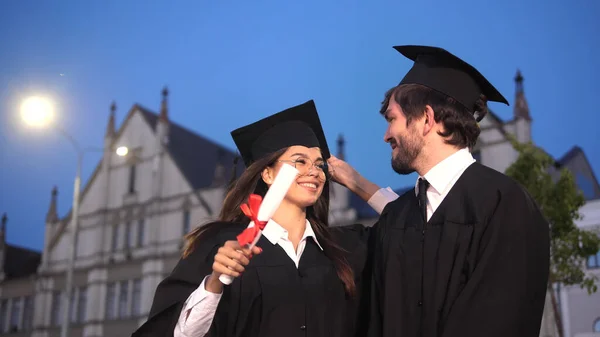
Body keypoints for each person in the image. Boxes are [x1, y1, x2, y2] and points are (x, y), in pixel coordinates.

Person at [328, 45, 550, 337]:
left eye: (392, 119)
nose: (385, 136)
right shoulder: (400, 217)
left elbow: (502, 320)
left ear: (427, 119)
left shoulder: (504, 205)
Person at [131, 100, 377, 337]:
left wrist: (357, 183)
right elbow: (180, 334)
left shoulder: (345, 246)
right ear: (267, 174)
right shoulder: (221, 244)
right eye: (299, 161)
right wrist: (215, 281)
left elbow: (411, 229)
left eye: (319, 164)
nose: (313, 171)